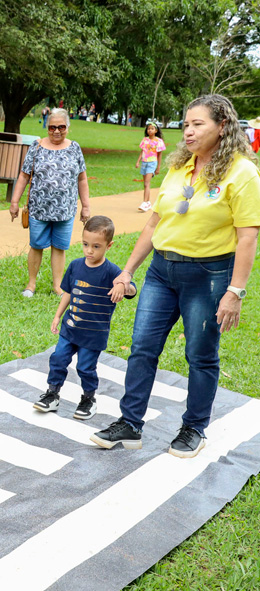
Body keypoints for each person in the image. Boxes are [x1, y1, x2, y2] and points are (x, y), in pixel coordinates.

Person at [92, 94, 260, 458]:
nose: (188, 131)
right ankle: (130, 424)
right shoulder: (179, 166)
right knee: (142, 349)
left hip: (208, 275)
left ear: (223, 126)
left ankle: (194, 427)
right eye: (186, 124)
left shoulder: (242, 171)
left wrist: (236, 292)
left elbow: (248, 236)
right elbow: (156, 221)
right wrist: (128, 269)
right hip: (160, 273)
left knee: (200, 355)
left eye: (198, 124)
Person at [33, 216, 136, 420]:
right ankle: (52, 394)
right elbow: (68, 293)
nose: (89, 251)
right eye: (85, 244)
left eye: (96, 246)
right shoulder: (75, 266)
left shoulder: (112, 272)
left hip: (93, 334)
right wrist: (57, 315)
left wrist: (123, 285)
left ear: (109, 246)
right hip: (70, 328)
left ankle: (89, 399)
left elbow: (132, 291)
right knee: (58, 359)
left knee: (85, 367)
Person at [9, 108, 90, 297]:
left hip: (65, 209)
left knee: (59, 247)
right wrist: (14, 201)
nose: (56, 131)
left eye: (61, 127)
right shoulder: (36, 146)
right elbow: (23, 176)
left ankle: (57, 286)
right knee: (36, 245)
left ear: (68, 127)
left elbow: (82, 179)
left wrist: (86, 206)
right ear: (47, 127)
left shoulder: (74, 148)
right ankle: (31, 285)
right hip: (39, 209)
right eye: (52, 127)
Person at [135, 122, 166, 211]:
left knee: (146, 183)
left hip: (152, 163)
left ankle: (144, 202)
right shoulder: (145, 140)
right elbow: (142, 151)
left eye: (152, 128)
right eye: (148, 128)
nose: (150, 130)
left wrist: (158, 167)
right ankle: (148, 202)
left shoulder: (158, 141)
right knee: (146, 184)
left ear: (156, 130)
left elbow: (159, 155)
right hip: (144, 162)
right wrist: (138, 161)